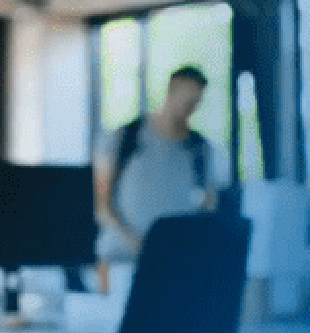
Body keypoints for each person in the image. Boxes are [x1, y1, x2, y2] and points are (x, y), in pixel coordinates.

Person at [93, 64, 218, 291]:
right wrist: (140, 245)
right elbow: (102, 208)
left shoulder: (200, 149)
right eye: (186, 100)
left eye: (195, 102)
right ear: (171, 91)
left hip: (174, 261)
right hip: (119, 261)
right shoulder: (123, 138)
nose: (189, 108)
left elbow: (208, 211)